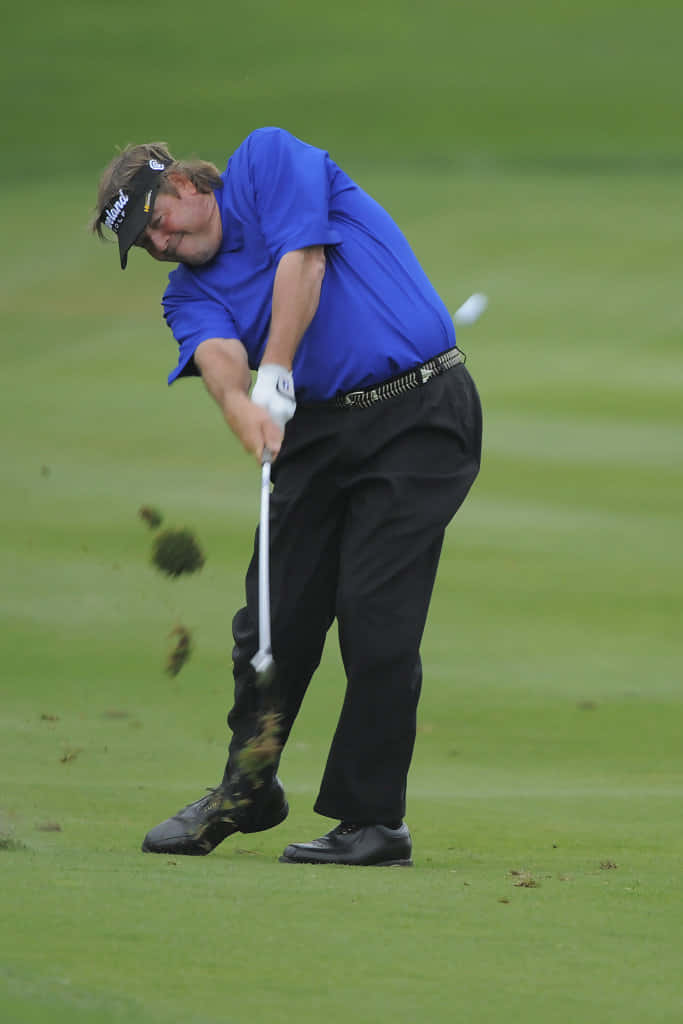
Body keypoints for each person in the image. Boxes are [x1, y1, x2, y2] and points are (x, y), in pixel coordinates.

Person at [91, 127, 482, 866]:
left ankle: (374, 823)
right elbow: (217, 358)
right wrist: (243, 410)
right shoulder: (187, 294)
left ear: (183, 185)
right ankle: (249, 788)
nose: (161, 245)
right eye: (145, 244)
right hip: (313, 435)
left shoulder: (266, 163)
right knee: (271, 622)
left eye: (157, 223)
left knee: (374, 615)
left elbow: (305, 259)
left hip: (418, 411)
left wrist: (274, 367)